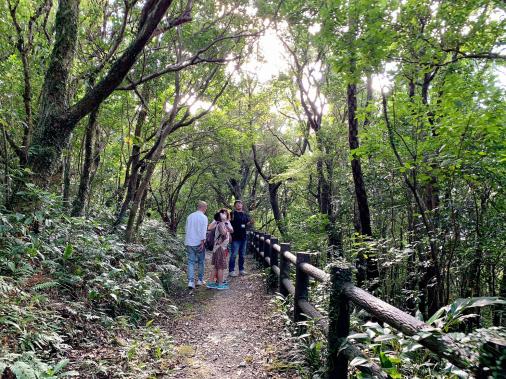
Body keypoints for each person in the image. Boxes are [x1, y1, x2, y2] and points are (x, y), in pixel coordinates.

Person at [207, 209, 233, 290]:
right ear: (220, 217)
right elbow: (223, 233)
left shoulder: (222, 223)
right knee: (220, 267)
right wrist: (226, 225)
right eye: (222, 214)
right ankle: (220, 284)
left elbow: (230, 231)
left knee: (216, 266)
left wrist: (227, 224)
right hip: (220, 248)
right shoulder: (221, 224)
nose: (224, 215)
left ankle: (211, 283)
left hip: (218, 248)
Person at [184, 201, 208, 289]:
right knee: (201, 262)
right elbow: (203, 231)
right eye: (206, 208)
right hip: (198, 242)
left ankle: (190, 281)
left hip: (189, 241)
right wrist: (202, 242)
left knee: (191, 262)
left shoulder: (190, 216)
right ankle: (200, 280)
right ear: (204, 207)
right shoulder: (204, 217)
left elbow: (186, 229)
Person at [229, 200, 253, 276]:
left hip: (243, 237)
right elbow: (228, 224)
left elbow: (246, 224)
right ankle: (231, 271)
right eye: (237, 204)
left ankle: (241, 270)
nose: (239, 205)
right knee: (234, 254)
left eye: (240, 204)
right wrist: (229, 235)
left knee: (242, 255)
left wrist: (251, 222)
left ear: (242, 205)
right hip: (235, 237)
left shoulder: (244, 214)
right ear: (235, 206)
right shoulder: (232, 214)